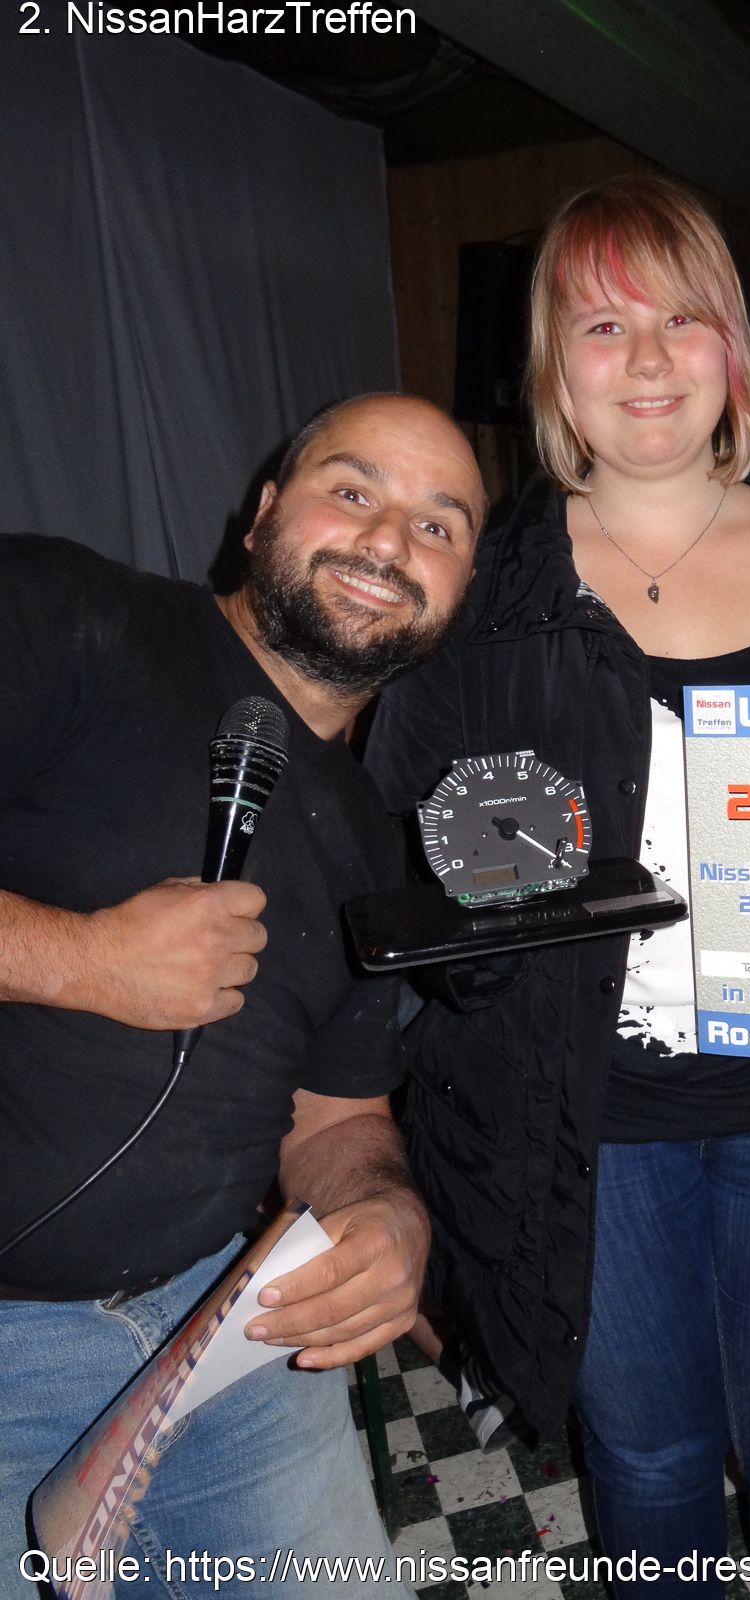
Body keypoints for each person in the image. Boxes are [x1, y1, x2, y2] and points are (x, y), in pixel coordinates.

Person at [367, 175, 750, 1600]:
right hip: (582, 1126)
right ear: (554, 364)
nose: (647, 360)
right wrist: (476, 900)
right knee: (647, 1463)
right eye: (603, 325)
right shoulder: (489, 588)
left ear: (734, 346)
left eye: (681, 319)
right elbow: (416, 888)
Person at [0, 394, 486, 1598]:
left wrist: (386, 1212)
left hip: (218, 1331)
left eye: (438, 525)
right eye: (353, 490)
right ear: (264, 512)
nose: (389, 541)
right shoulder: (72, 618)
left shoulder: (372, 841)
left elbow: (337, 1116)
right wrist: (79, 958)